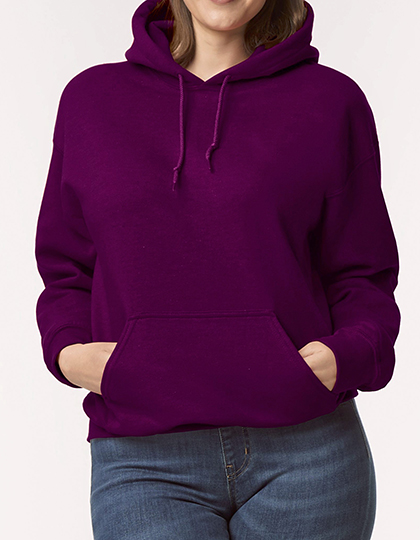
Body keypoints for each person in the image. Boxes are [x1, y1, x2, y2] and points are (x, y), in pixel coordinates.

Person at [34, 0, 401, 538]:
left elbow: (363, 270)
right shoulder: (92, 100)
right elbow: (66, 263)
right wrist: (68, 351)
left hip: (307, 451)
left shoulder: (330, 100)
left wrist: (346, 355)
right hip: (144, 457)